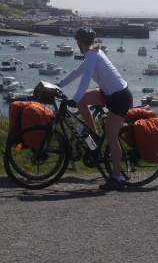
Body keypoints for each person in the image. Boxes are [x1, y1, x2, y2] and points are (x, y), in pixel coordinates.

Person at [56, 27, 133, 191]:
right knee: (82, 102)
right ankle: (93, 134)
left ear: (80, 42)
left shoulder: (92, 53)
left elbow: (85, 79)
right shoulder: (94, 51)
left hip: (119, 97)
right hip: (109, 93)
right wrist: (58, 85)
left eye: (77, 40)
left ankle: (117, 178)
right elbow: (78, 71)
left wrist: (74, 98)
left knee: (112, 137)